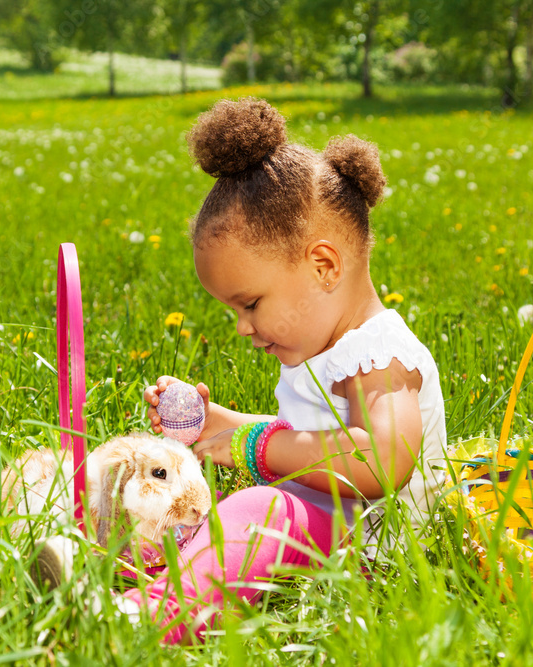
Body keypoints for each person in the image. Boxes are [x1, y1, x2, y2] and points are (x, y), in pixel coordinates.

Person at [118, 96, 448, 644]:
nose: (243, 328)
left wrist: (254, 446)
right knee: (193, 512)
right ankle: (114, 563)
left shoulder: (381, 356)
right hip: (328, 531)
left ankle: (149, 619)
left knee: (257, 511)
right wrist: (221, 425)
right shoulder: (325, 345)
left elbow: (385, 460)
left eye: (250, 304)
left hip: (375, 551)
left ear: (323, 266)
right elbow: (318, 441)